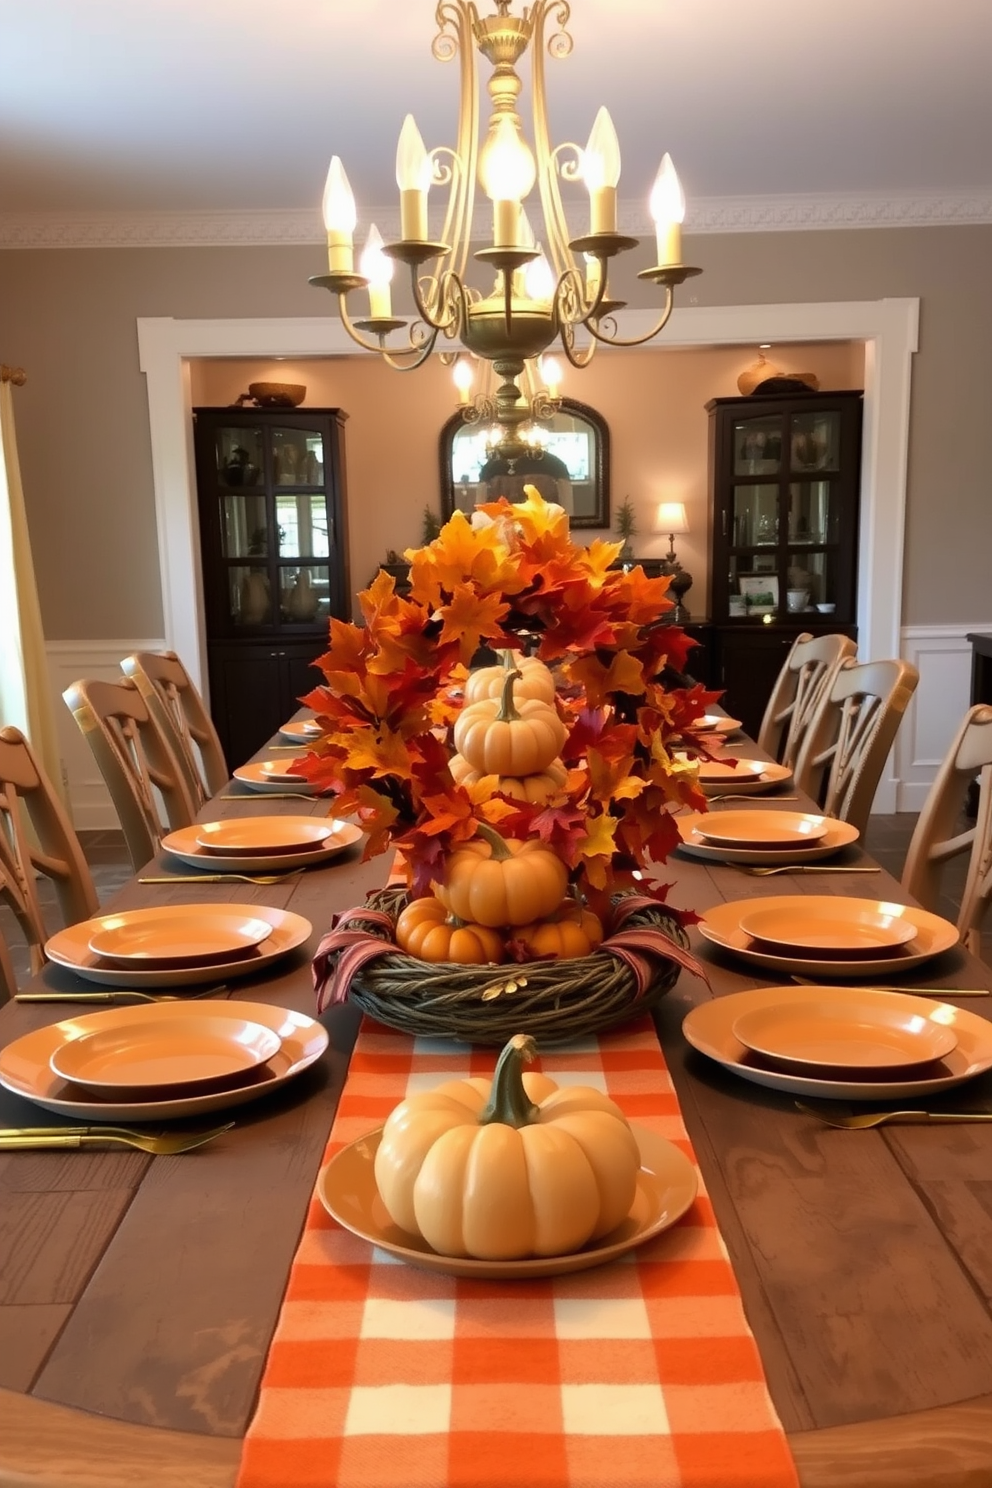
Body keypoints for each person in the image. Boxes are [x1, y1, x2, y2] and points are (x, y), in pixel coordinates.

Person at [475, 448, 573, 512]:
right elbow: (480, 511)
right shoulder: (491, 468)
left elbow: (567, 512)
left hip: (543, 533)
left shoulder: (554, 466)